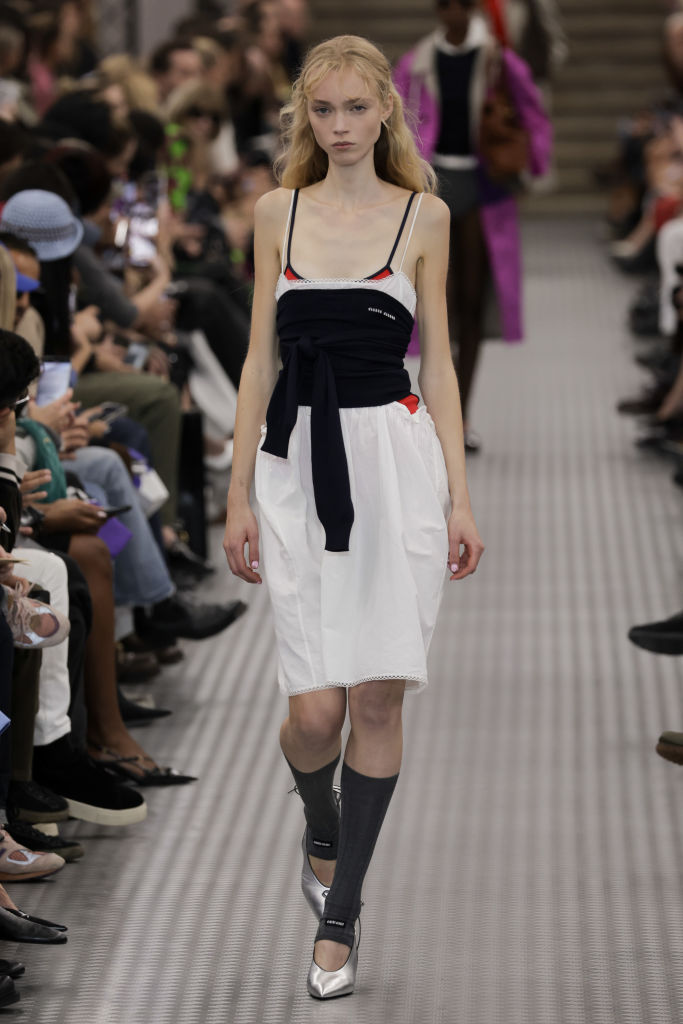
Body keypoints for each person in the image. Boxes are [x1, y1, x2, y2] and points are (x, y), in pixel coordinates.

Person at [223, 34, 484, 998]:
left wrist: (459, 495)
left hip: (396, 465)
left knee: (376, 696)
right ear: (305, 118)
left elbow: (441, 363)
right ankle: (320, 822)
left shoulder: (424, 215)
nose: (337, 128)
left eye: (353, 110)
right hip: (296, 469)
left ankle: (341, 919)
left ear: (385, 113)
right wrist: (238, 488)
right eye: (321, 112)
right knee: (311, 712)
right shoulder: (273, 212)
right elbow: (257, 358)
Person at [394, 0, 551, 452]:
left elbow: (533, 112)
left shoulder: (500, 61)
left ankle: (460, 415)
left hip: (484, 188)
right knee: (435, 301)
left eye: (459, 6)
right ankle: (439, 413)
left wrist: (534, 164)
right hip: (436, 183)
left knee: (470, 299)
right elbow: (397, 119)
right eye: (444, 6)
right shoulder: (418, 63)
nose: (452, 15)